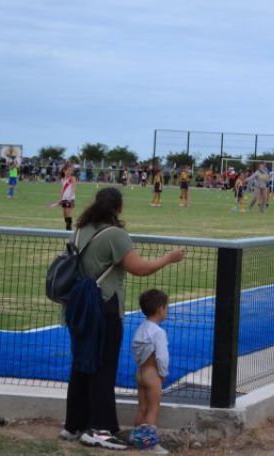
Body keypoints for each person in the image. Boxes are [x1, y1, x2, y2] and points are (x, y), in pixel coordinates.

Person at [61, 188, 185, 449]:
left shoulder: (81, 229)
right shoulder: (115, 235)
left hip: (79, 307)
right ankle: (101, 428)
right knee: (103, 369)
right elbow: (140, 268)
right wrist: (169, 258)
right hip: (103, 308)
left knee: (81, 364)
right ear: (118, 207)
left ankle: (74, 425)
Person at [130, 289, 171, 454]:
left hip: (140, 372)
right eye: (166, 307)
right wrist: (163, 373)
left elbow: (136, 349)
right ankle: (148, 445)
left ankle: (136, 436)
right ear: (160, 309)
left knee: (142, 407)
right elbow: (162, 357)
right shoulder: (159, 332)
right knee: (153, 408)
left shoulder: (141, 328)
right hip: (152, 374)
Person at [57, 162, 77, 230]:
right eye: (67, 170)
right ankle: (68, 228)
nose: (69, 172)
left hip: (70, 199)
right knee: (65, 215)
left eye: (70, 170)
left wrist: (69, 198)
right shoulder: (63, 179)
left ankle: (68, 230)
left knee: (68, 215)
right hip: (64, 199)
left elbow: (73, 188)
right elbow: (62, 190)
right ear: (64, 170)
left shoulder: (73, 178)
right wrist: (60, 199)